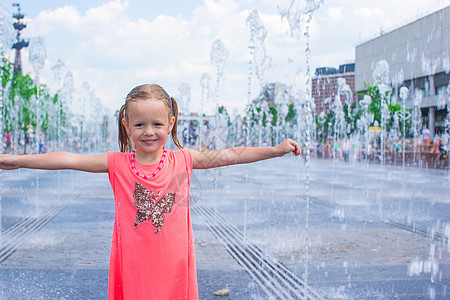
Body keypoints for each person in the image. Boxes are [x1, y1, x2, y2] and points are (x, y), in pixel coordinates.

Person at [0, 83, 300, 300]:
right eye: (140, 124)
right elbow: (68, 158)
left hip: (174, 261)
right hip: (134, 262)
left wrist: (274, 150)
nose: (148, 131)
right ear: (126, 125)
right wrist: (19, 160)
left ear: (170, 124)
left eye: (157, 123)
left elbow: (231, 155)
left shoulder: (183, 159)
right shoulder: (117, 163)